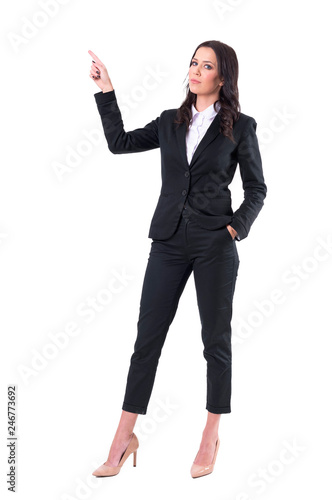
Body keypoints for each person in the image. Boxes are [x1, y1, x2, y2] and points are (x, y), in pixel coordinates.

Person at [88, 40, 267, 479]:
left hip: (214, 243)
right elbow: (119, 142)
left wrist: (234, 227)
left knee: (215, 341)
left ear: (222, 78)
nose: (195, 70)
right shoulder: (171, 122)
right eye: (193, 62)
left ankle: (210, 434)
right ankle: (122, 436)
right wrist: (106, 90)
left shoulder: (240, 127)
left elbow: (257, 189)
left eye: (206, 66)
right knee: (147, 338)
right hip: (167, 241)